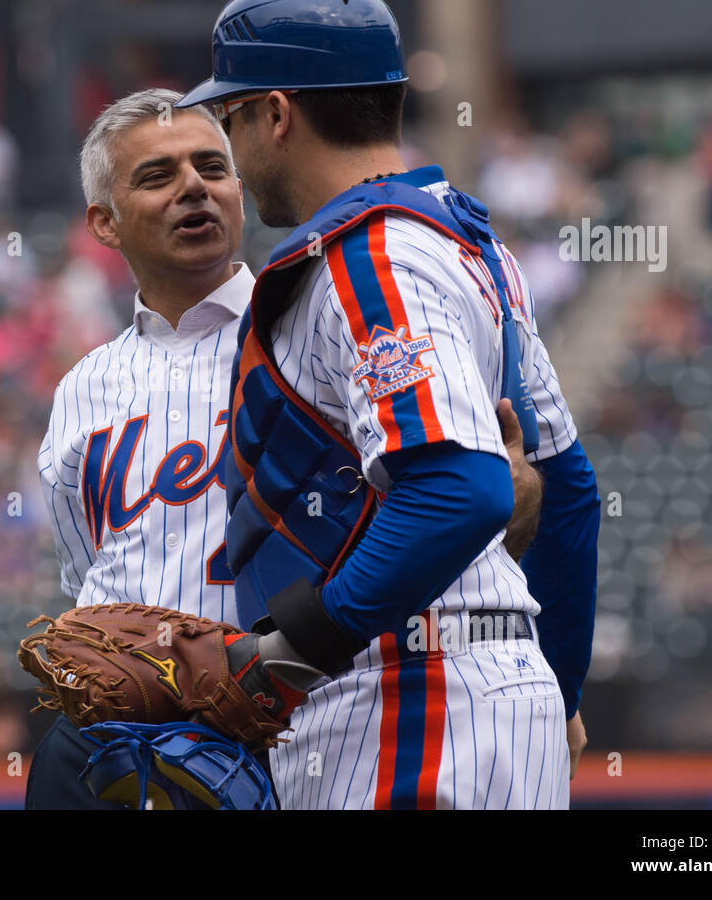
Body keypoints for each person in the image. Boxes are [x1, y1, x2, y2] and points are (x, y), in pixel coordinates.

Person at [27, 87, 542, 809]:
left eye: (212, 165)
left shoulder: (315, 319)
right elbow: (88, 579)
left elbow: (446, 499)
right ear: (102, 223)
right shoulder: (82, 388)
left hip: (297, 724)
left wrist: (512, 514)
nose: (193, 187)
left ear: (241, 186)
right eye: (157, 176)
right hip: (123, 744)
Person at [174, 0, 600, 809]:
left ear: (276, 113)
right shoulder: (472, 247)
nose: (230, 145)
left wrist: (291, 652)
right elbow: (569, 491)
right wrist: (566, 690)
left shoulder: (367, 258)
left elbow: (458, 490)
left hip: (411, 698)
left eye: (230, 118)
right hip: (465, 689)